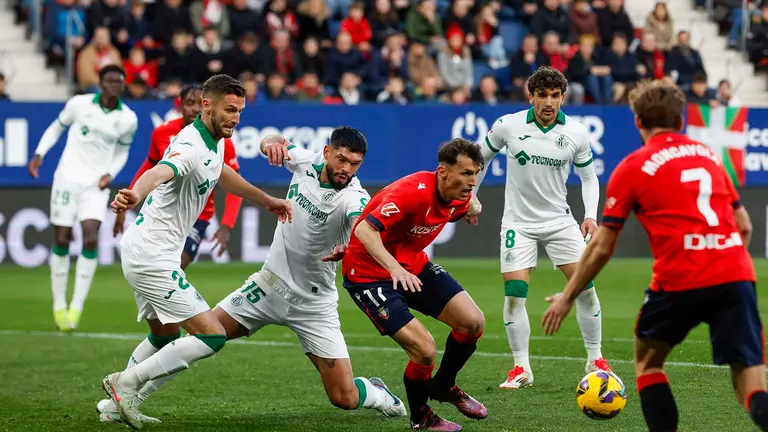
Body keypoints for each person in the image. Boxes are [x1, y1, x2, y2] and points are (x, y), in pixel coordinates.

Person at [97, 127, 407, 425]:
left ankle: (376, 392)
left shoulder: (354, 196)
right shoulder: (305, 161)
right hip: (267, 286)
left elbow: (362, 226)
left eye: (355, 164)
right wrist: (270, 142)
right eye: (341, 159)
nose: (347, 169)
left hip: (313, 304)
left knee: (344, 397)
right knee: (201, 338)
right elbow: (271, 143)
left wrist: (351, 246)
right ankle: (126, 399)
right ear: (326, 152)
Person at [542, 80, 768, 432]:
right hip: (735, 274)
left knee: (648, 362)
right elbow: (745, 226)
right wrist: (719, 253)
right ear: (680, 120)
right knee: (750, 380)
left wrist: (567, 297)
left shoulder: (633, 166)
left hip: (680, 279)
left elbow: (602, 247)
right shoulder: (708, 155)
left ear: (637, 121)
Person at [100, 74, 293, 430]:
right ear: (207, 105)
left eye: (240, 111)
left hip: (149, 249)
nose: (235, 118)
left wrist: (266, 200)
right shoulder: (189, 144)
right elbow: (160, 170)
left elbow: (221, 174)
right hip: (152, 256)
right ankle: (123, 384)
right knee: (212, 335)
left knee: (165, 336)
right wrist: (134, 194)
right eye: (229, 109)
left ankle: (114, 406)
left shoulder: (215, 140)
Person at [473, 66, 609, 390]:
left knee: (585, 287)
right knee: (515, 295)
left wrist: (590, 214)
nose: (549, 102)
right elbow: (479, 158)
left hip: (560, 221)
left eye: (555, 95)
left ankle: (595, 358)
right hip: (518, 223)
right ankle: (521, 367)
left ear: (563, 98)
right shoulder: (508, 125)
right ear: (530, 95)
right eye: (542, 95)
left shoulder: (576, 133)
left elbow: (589, 177)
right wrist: (470, 196)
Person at [341, 138, 488, 432]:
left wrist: (473, 209)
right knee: (424, 349)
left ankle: (444, 385)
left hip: (412, 265)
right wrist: (393, 268)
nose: (472, 181)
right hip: (369, 273)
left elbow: (469, 205)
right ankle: (421, 417)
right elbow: (365, 230)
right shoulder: (412, 193)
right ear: (443, 173)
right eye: (466, 173)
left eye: (475, 173)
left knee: (472, 323)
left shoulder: (459, 195)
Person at [27, 64, 138, 332]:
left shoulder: (128, 119)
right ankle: (58, 304)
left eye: (119, 82)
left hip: (95, 186)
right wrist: (39, 154)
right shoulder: (79, 104)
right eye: (110, 81)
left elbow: (122, 152)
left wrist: (109, 173)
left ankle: (76, 306)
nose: (114, 86)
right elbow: (56, 127)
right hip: (67, 178)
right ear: (100, 83)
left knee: (90, 237)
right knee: (62, 238)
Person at [112, 84, 243, 268]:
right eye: (190, 103)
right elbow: (150, 167)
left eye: (200, 103)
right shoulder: (162, 133)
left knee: (176, 264)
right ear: (180, 105)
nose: (195, 108)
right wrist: (127, 203)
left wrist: (226, 225)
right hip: (165, 213)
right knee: (152, 268)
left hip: (198, 216)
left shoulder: (222, 141)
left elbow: (235, 186)